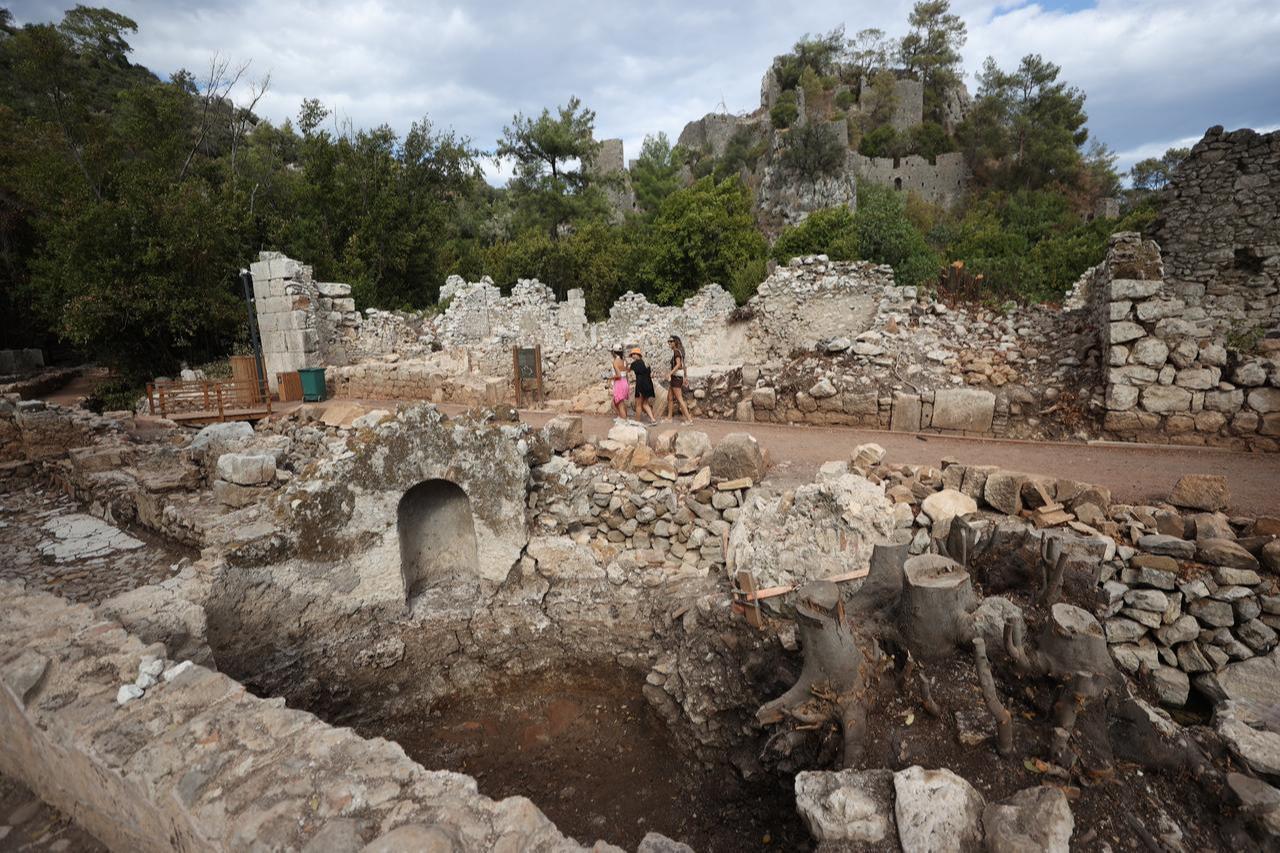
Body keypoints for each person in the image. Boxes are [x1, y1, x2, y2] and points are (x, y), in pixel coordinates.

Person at [665, 335, 692, 424]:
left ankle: (689, 420)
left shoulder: (676, 352)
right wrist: (685, 376)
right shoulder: (679, 352)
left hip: (675, 378)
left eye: (671, 341)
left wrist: (670, 373)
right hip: (676, 378)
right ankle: (669, 418)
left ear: (675, 342)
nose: (669, 343)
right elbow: (684, 365)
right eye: (668, 341)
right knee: (669, 397)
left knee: (680, 399)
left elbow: (678, 365)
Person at [629, 347, 658, 425]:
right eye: (632, 355)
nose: (632, 356)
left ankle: (637, 422)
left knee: (638, 404)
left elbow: (631, 375)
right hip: (648, 385)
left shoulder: (634, 364)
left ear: (637, 354)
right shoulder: (646, 363)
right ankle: (653, 420)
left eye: (633, 354)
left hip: (641, 385)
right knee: (645, 404)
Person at [609, 348, 630, 419]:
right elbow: (626, 373)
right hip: (625, 382)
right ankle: (623, 418)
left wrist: (611, 378)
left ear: (614, 353)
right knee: (619, 403)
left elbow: (618, 375)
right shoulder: (624, 361)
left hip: (619, 383)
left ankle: (624, 421)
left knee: (620, 405)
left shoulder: (615, 362)